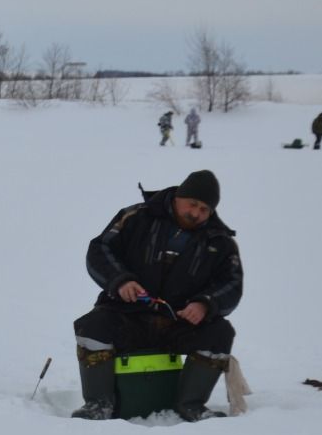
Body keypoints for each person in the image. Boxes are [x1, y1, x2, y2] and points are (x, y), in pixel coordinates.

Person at [71, 169, 243, 422]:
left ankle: (191, 404)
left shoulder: (221, 242)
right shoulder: (136, 216)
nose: (196, 213)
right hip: (127, 315)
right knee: (92, 326)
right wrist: (121, 281)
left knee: (220, 334)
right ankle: (99, 403)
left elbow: (232, 284)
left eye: (204, 209)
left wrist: (206, 304)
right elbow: (99, 250)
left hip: (179, 324)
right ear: (178, 197)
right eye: (192, 204)